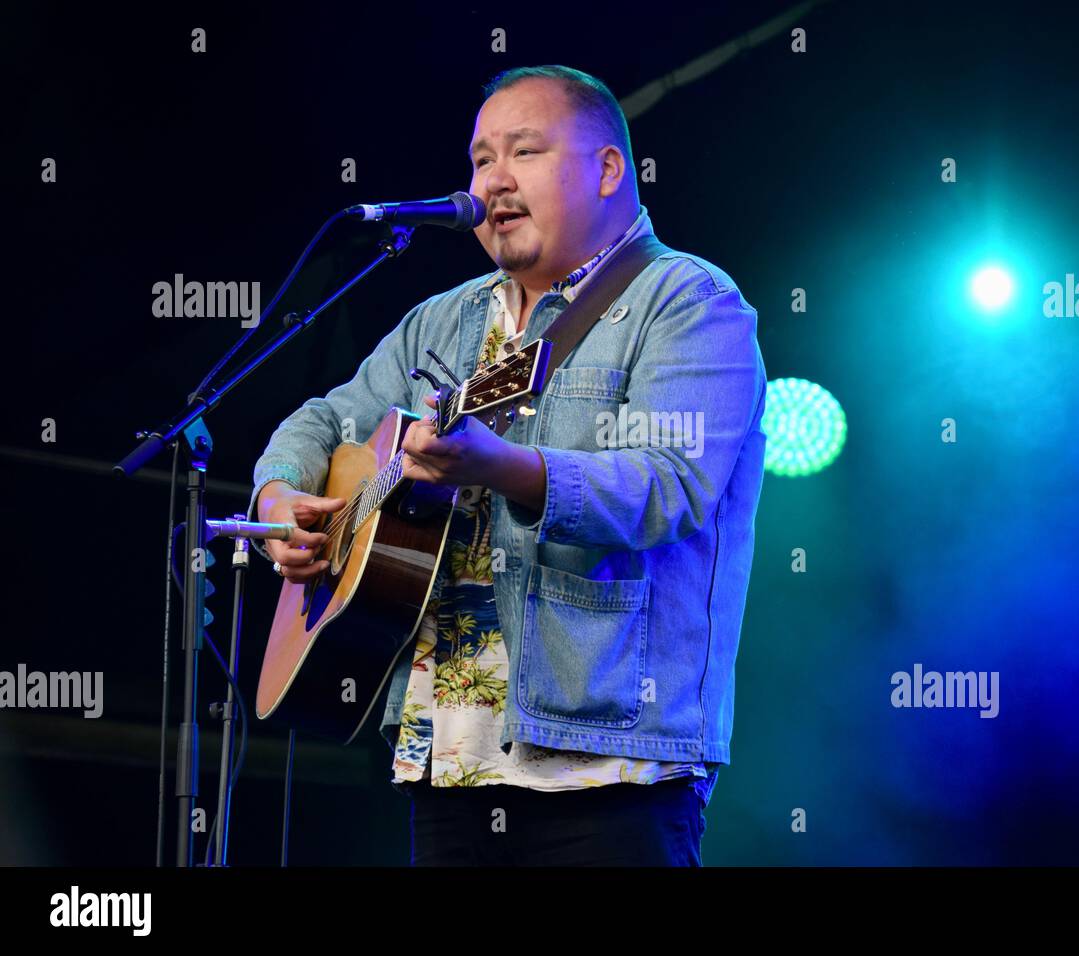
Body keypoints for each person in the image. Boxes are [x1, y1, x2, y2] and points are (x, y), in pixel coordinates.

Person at [249, 64, 766, 866]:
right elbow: (324, 419)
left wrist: (502, 466)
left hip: (606, 763)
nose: (493, 180)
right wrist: (281, 496)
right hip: (445, 757)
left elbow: (669, 486)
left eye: (523, 151)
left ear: (606, 170)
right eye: (480, 158)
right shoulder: (444, 321)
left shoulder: (689, 302)